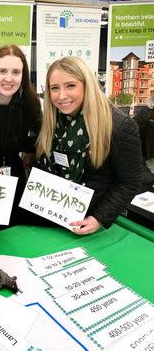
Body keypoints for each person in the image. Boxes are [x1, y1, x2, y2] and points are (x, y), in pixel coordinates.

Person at [35, 56, 144, 235]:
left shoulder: (118, 126)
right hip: (54, 217)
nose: (61, 95)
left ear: (87, 85)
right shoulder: (52, 121)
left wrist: (98, 219)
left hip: (90, 223)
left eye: (70, 85)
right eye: (55, 88)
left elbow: (130, 181)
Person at [0, 45, 41, 236]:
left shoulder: (29, 103)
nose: (9, 78)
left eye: (16, 72)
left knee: (17, 238)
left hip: (15, 181)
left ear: (23, 75)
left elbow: (40, 137)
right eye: (2, 71)